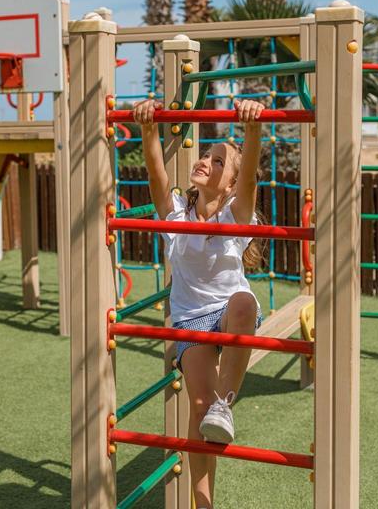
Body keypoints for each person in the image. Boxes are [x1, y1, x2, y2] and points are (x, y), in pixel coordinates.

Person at [132, 98, 265, 509]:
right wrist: (148, 127)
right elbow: (156, 174)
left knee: (243, 303)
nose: (206, 161)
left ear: (230, 185)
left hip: (228, 311)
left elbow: (249, 181)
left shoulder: (236, 215)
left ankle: (227, 403)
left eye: (218, 161)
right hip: (191, 319)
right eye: (206, 155)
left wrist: (253, 129)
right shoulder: (176, 216)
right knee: (199, 408)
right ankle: (204, 503)